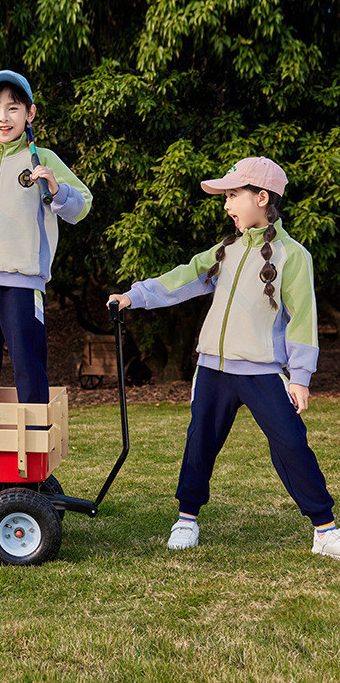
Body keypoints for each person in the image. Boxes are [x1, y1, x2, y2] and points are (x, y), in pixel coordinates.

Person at [107, 156, 339, 560]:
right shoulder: (225, 250)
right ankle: (186, 519)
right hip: (213, 368)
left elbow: (303, 317)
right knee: (200, 441)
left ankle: (324, 529)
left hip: (263, 371)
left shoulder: (292, 255)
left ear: (262, 198)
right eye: (226, 196)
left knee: (290, 442)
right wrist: (134, 296)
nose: (227, 204)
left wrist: (301, 376)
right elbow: (182, 278)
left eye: (233, 195)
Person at [0, 70, 92, 405]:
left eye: (13, 108)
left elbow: (83, 205)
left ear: (30, 113)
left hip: (23, 282)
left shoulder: (43, 159)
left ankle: (36, 435)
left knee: (29, 365)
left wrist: (57, 188)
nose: (4, 117)